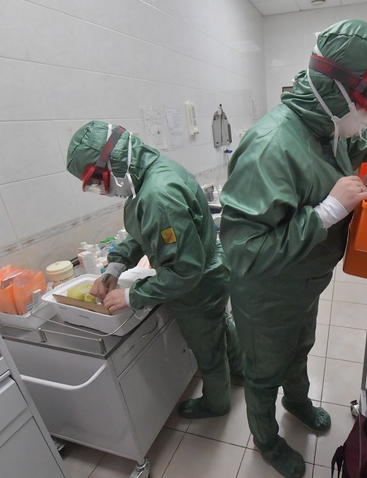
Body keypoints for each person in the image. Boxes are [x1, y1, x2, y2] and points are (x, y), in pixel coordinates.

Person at [219, 19, 367, 478]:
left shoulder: (331, 126)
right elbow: (244, 253)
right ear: (337, 86)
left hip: (305, 278)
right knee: (264, 371)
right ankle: (266, 440)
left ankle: (298, 402)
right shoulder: (271, 146)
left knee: (300, 347)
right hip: (266, 293)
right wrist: (324, 213)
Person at [66, 120, 243, 420]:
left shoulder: (157, 195)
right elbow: (144, 231)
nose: (103, 191)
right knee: (219, 327)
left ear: (111, 160)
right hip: (210, 272)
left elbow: (184, 271)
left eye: (98, 181)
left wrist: (132, 296)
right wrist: (115, 266)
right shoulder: (150, 172)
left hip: (198, 286)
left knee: (208, 349)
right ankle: (241, 368)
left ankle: (217, 403)